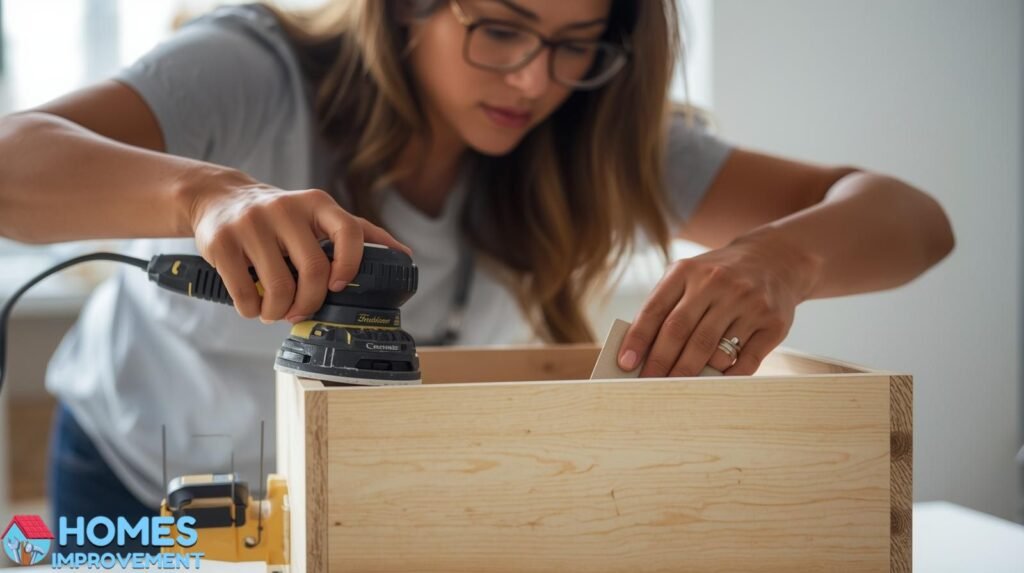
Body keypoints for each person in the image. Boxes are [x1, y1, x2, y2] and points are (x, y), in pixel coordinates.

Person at [0, 0, 953, 546]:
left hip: (366, 497)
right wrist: (202, 196)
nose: (535, 79)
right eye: (500, 26)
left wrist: (783, 259)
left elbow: (919, 222)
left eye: (577, 39)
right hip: (141, 479)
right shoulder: (250, 69)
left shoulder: (592, 130)